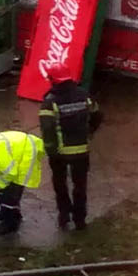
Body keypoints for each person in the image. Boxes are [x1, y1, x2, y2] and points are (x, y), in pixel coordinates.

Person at [38, 64, 103, 231]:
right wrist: (89, 132)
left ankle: (64, 214)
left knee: (60, 183)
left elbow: (48, 129)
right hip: (81, 150)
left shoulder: (49, 102)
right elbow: (97, 115)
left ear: (52, 80)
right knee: (80, 185)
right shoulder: (84, 96)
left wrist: (51, 150)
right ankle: (80, 219)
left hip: (59, 153)